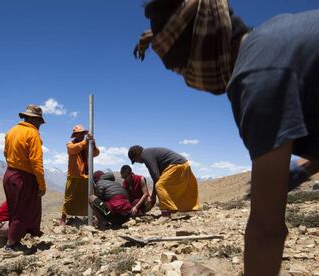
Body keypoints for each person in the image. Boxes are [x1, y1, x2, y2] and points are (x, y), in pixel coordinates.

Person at [133, 1, 319, 274]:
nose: (187, 81)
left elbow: (267, 230)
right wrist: (305, 166)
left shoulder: (256, 78)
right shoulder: (272, 40)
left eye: (181, 69)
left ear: (201, 49)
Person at [3, 104, 46, 256]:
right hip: (24, 177)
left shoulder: (11, 131)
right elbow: (36, 162)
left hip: (9, 174)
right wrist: (42, 185)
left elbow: (5, 152)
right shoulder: (32, 134)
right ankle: (10, 246)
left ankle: (16, 238)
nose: (40, 126)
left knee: (14, 209)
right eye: (40, 122)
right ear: (35, 120)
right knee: (24, 210)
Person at [127, 146, 199, 222]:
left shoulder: (145, 155)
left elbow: (156, 177)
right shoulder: (148, 153)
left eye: (135, 160)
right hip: (183, 164)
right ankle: (172, 208)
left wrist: (153, 197)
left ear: (137, 155)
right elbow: (157, 177)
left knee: (160, 186)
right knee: (166, 187)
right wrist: (153, 196)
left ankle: (166, 215)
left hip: (177, 165)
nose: (137, 162)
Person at [60, 125, 100, 226]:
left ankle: (93, 217)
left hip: (86, 175)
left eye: (82, 133)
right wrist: (85, 142)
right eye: (78, 134)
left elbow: (96, 153)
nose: (81, 135)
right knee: (69, 198)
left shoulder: (87, 144)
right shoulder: (70, 144)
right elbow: (73, 150)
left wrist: (93, 144)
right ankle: (63, 217)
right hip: (74, 175)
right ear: (75, 135)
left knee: (88, 196)